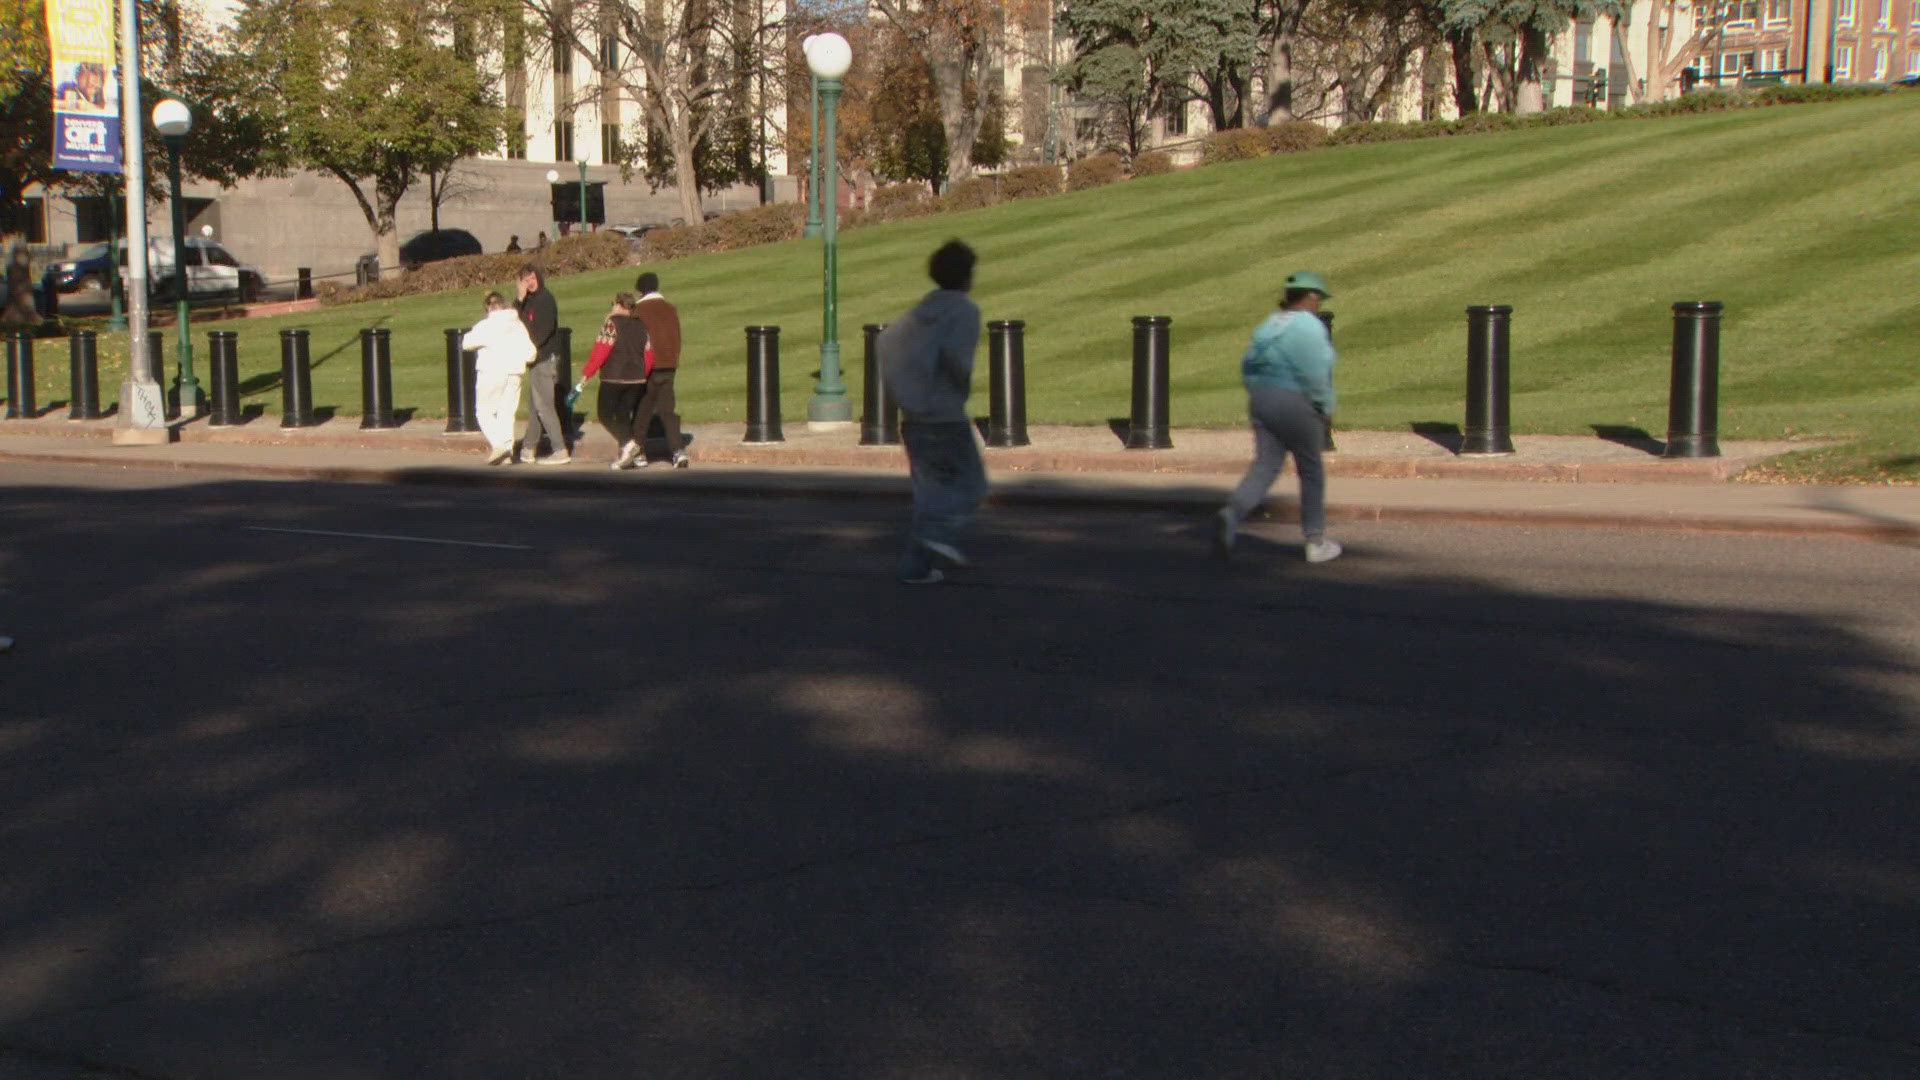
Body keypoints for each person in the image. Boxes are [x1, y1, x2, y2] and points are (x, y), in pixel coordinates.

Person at [1214, 271, 1342, 564]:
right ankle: (1315, 540)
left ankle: (1231, 515)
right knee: (1310, 469)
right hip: (1294, 401)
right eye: (1318, 298)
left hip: (1261, 398)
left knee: (1265, 466)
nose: (1319, 303)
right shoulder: (1308, 325)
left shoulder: (1270, 324)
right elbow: (1316, 370)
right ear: (1310, 296)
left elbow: (1249, 365)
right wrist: (1324, 406)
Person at [878, 239, 988, 585]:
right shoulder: (964, 311)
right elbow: (957, 359)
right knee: (971, 485)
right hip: (946, 415)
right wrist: (958, 390)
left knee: (929, 495)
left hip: (914, 417)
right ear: (967, 276)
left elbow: (888, 342)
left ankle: (917, 567)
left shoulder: (919, 312)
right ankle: (937, 533)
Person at [579, 293, 653, 469]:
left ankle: (630, 446)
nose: (612, 307)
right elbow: (649, 355)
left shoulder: (611, 323)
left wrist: (587, 374)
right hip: (637, 379)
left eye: (613, 304)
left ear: (620, 305)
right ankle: (631, 455)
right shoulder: (642, 326)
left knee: (605, 414)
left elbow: (600, 352)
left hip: (614, 377)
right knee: (622, 416)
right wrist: (643, 373)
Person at [462, 290, 536, 465]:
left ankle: (499, 445)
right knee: (506, 413)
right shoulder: (517, 323)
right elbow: (531, 352)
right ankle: (507, 452)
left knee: (484, 411)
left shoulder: (486, 325)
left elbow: (466, 343)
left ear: (488, 307)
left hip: (491, 371)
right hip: (514, 372)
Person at [626, 272, 688, 468]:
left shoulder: (638, 310)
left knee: (642, 410)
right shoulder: (670, 308)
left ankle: (639, 452)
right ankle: (678, 451)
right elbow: (676, 337)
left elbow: (635, 342)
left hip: (648, 367)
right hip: (669, 365)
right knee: (667, 410)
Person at [514, 265, 569, 464]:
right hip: (535, 360)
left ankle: (560, 449)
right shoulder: (528, 301)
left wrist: (526, 349)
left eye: (531, 278)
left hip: (544, 358)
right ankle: (528, 448)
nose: (530, 282)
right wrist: (519, 300)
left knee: (544, 406)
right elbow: (514, 322)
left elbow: (541, 332)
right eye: (525, 280)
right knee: (535, 405)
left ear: (538, 277)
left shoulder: (545, 300)